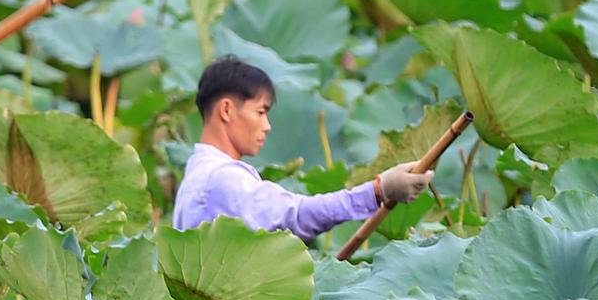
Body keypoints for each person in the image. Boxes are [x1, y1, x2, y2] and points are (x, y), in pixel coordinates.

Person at [173, 55, 432, 242]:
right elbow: (296, 215)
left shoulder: (196, 176)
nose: (267, 126)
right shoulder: (222, 178)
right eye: (260, 112)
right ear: (227, 110)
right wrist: (379, 190)